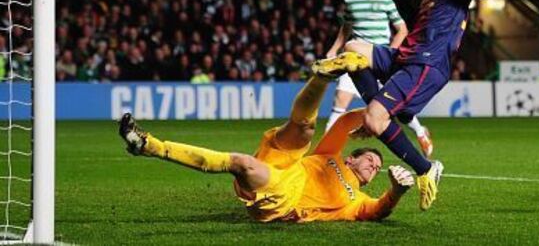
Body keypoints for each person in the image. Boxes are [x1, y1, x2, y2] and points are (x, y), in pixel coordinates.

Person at [313, 0, 494, 211]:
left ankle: (426, 168)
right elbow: (420, 23)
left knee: (375, 119)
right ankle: (380, 116)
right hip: (405, 55)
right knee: (353, 49)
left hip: (426, 63)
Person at [118, 51, 416, 222]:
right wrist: (376, 113)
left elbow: (378, 211)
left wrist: (396, 192)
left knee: (241, 163)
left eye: (377, 168)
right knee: (304, 130)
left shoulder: (355, 202)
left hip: (285, 196)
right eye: (370, 159)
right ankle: (322, 77)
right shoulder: (330, 155)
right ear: (351, 159)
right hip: (288, 162)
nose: (374, 166)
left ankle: (150, 146)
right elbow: (344, 123)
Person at [324, 0, 434, 158]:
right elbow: (346, 28)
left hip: (378, 60)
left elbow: (402, 29)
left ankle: (419, 131)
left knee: (392, 107)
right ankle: (326, 152)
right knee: (340, 100)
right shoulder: (351, 0)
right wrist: (333, 50)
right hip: (355, 59)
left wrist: (390, 54)